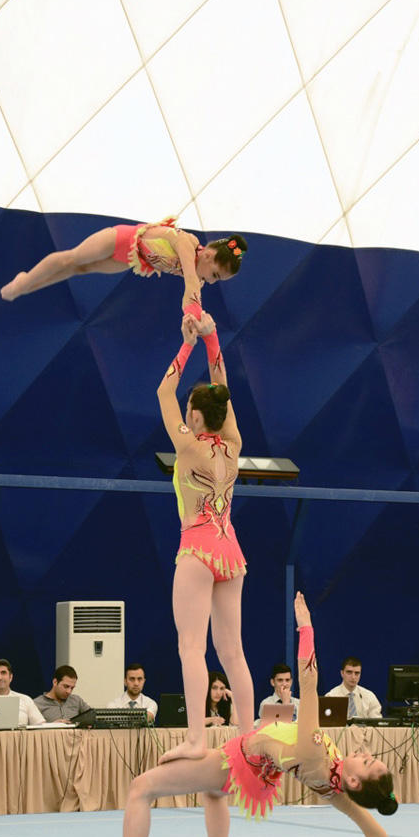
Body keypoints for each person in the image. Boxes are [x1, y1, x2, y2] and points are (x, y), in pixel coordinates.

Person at [114, 593, 400, 837]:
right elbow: (377, 834)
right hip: (254, 763)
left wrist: (306, 627)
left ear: (354, 782)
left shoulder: (316, 753)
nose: (364, 753)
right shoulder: (337, 786)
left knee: (141, 788)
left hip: (240, 761)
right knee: (214, 794)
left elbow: (309, 682)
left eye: (366, 761)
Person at [156, 310, 254, 763]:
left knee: (191, 646)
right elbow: (223, 387)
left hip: (196, 547)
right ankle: (248, 735)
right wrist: (212, 338)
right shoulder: (232, 443)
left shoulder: (188, 444)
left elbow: (163, 390)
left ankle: (197, 739)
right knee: (232, 651)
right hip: (230, 549)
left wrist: (187, 343)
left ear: (195, 414)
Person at [0, 217, 247, 303]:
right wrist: (193, 307)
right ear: (208, 254)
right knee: (72, 258)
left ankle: (28, 287)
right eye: (215, 274)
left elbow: (194, 285)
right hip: (119, 239)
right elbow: (191, 285)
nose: (212, 282)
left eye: (218, 280)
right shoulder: (188, 243)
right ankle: (22, 283)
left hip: (129, 260)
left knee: (81, 269)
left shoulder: (198, 271)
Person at [0, 658, 45, 726]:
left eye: (3, 673)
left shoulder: (25, 700)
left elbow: (40, 725)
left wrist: (53, 725)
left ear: (10, 677)